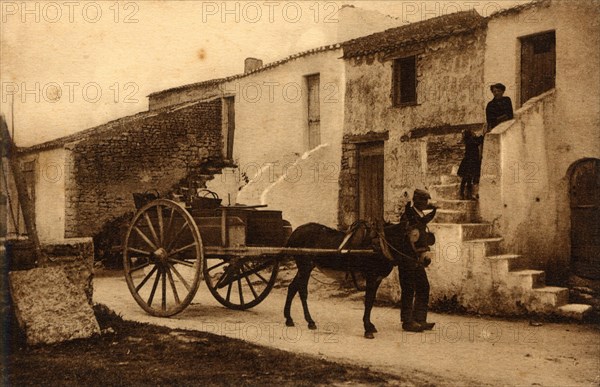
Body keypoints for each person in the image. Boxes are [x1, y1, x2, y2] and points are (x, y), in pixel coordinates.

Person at [398, 189, 437, 332]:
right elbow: (406, 238)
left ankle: (420, 319)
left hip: (417, 258)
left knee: (423, 286)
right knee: (408, 289)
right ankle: (407, 321)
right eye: (423, 200)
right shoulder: (407, 216)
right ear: (416, 200)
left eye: (427, 201)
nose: (425, 203)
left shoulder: (420, 216)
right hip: (407, 258)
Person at [457, 129, 484, 200]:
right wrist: (482, 135)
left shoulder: (469, 140)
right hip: (469, 162)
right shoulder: (470, 141)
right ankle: (463, 194)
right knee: (466, 179)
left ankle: (466, 195)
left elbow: (477, 140)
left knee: (467, 179)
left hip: (469, 162)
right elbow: (478, 141)